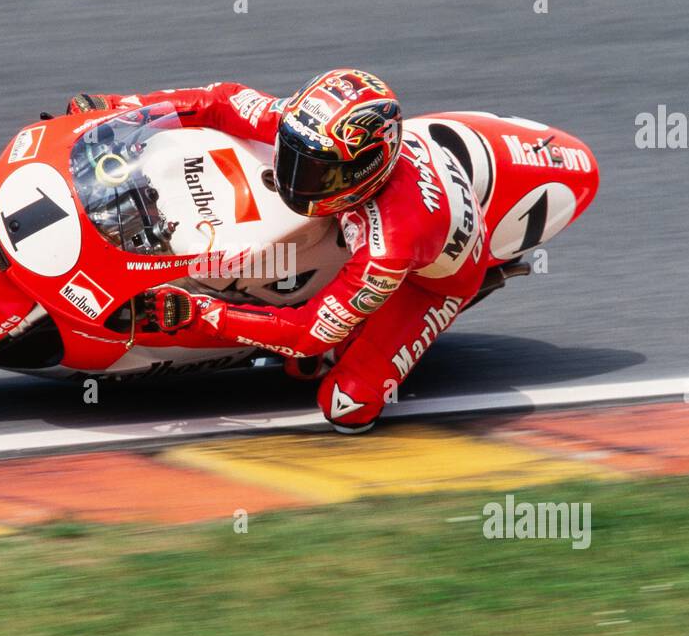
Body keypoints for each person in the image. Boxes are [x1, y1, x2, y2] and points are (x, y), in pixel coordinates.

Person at [67, 69, 490, 433]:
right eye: (293, 154)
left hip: (431, 283)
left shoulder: (390, 244)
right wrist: (119, 108)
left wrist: (202, 313)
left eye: (319, 173)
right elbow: (220, 101)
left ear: (364, 171)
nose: (296, 177)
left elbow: (309, 334)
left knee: (346, 406)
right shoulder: (310, 128)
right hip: (388, 196)